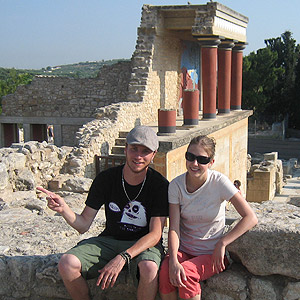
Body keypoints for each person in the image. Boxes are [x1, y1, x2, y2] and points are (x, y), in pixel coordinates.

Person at [37, 125, 169, 300]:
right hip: (110, 240)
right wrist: (63, 209)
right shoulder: (106, 179)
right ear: (126, 149)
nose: (138, 156)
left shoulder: (159, 185)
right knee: (67, 263)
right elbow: (83, 224)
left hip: (143, 244)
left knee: (149, 268)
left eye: (145, 151)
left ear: (153, 155)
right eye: (134, 149)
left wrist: (123, 257)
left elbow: (155, 234)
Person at [159, 135, 258, 300]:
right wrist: (173, 259)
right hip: (184, 251)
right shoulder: (176, 186)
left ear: (211, 162)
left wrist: (223, 242)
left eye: (202, 159)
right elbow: (174, 228)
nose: (194, 163)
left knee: (186, 274)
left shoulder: (219, 182)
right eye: (190, 157)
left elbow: (250, 217)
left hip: (212, 255)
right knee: (165, 272)